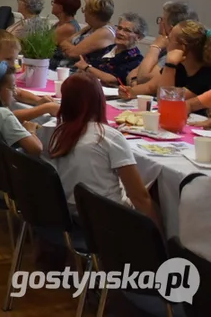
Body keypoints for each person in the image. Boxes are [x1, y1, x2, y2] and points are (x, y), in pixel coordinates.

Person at [47, 73, 158, 225]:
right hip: (106, 221)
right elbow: (139, 197)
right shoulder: (108, 136)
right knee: (156, 195)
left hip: (69, 215)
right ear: (100, 100)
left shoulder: (58, 133)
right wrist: (158, 239)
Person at [0, 29, 58, 122]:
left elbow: (18, 93)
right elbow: (6, 118)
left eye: (14, 59)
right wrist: (44, 109)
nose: (12, 65)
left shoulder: (1, 75)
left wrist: (38, 100)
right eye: (8, 59)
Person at [121, 20, 211, 98]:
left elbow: (166, 99)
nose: (167, 43)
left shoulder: (205, 76)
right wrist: (129, 91)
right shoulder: (180, 67)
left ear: (183, 47)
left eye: (170, 39)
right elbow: (150, 87)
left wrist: (170, 65)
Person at [129, 1, 199, 86]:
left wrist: (155, 47)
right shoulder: (164, 47)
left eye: (162, 19)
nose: (160, 22)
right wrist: (134, 81)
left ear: (171, 28)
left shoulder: (175, 52)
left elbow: (143, 79)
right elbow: (132, 74)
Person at [74, 12, 146, 87]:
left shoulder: (136, 59)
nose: (120, 33)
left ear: (139, 37)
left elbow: (112, 80)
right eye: (119, 28)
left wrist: (87, 67)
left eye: (127, 30)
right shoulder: (108, 48)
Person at [56, 0, 116, 67]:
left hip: (81, 72)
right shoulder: (91, 27)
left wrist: (71, 49)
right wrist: (72, 48)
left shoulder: (105, 32)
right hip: (67, 66)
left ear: (94, 14)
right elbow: (63, 43)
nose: (83, 12)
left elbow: (72, 53)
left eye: (86, 9)